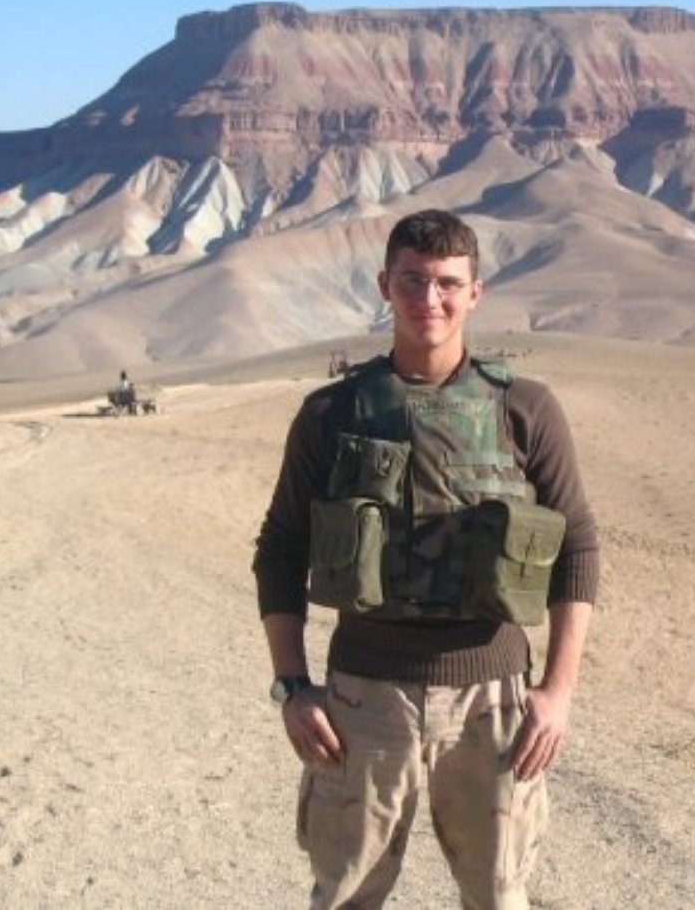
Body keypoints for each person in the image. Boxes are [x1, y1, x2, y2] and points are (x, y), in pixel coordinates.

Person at [253, 209, 599, 909]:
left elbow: (578, 545)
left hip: (491, 699)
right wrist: (292, 685)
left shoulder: (526, 409)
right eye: (412, 280)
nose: (429, 299)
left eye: (447, 283)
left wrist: (558, 692)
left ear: (475, 293)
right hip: (364, 698)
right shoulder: (330, 414)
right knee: (346, 895)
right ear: (385, 285)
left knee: (498, 895)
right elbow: (281, 548)